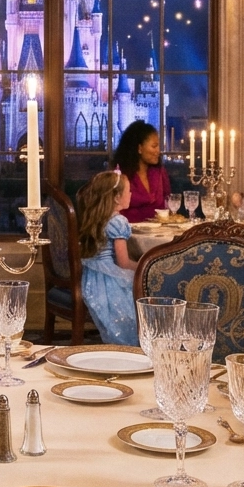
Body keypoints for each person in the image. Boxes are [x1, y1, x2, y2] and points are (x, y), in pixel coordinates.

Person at [76, 170, 139, 344]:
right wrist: (145, 266)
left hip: (91, 276)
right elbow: (124, 263)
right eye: (128, 191)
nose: (131, 194)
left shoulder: (99, 218)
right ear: (117, 197)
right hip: (107, 279)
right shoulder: (118, 222)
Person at [112, 121, 171, 223]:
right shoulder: (119, 176)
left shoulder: (160, 172)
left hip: (159, 233)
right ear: (139, 148)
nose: (158, 151)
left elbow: (169, 202)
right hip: (127, 233)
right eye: (154, 146)